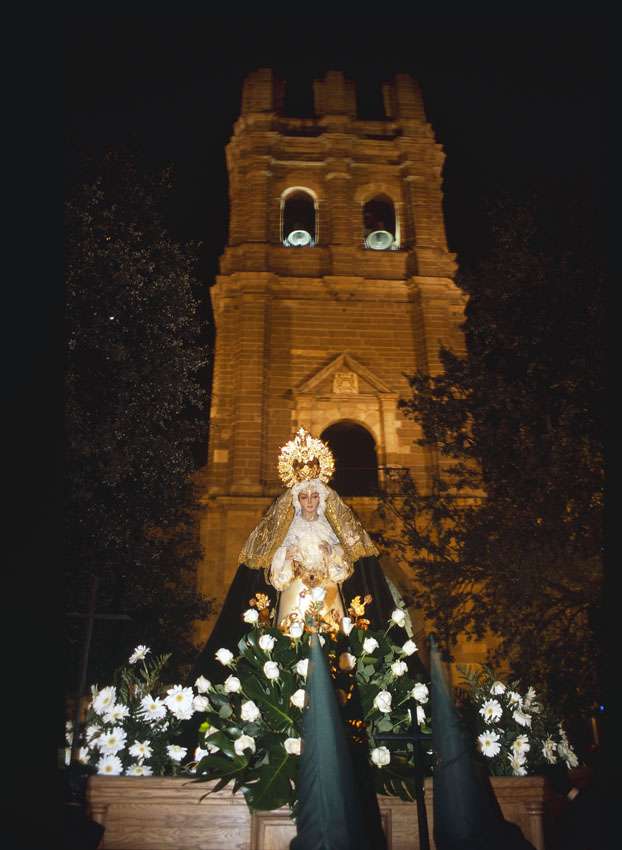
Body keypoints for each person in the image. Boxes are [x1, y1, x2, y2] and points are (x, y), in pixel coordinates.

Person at [188, 427, 417, 688]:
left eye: (314, 495)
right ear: (297, 499)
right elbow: (276, 577)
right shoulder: (286, 528)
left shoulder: (332, 527)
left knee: (333, 644)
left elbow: (346, 569)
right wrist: (286, 556)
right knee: (292, 644)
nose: (309, 501)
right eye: (304, 496)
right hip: (295, 595)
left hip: (328, 595)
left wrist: (333, 554)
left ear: (322, 497)